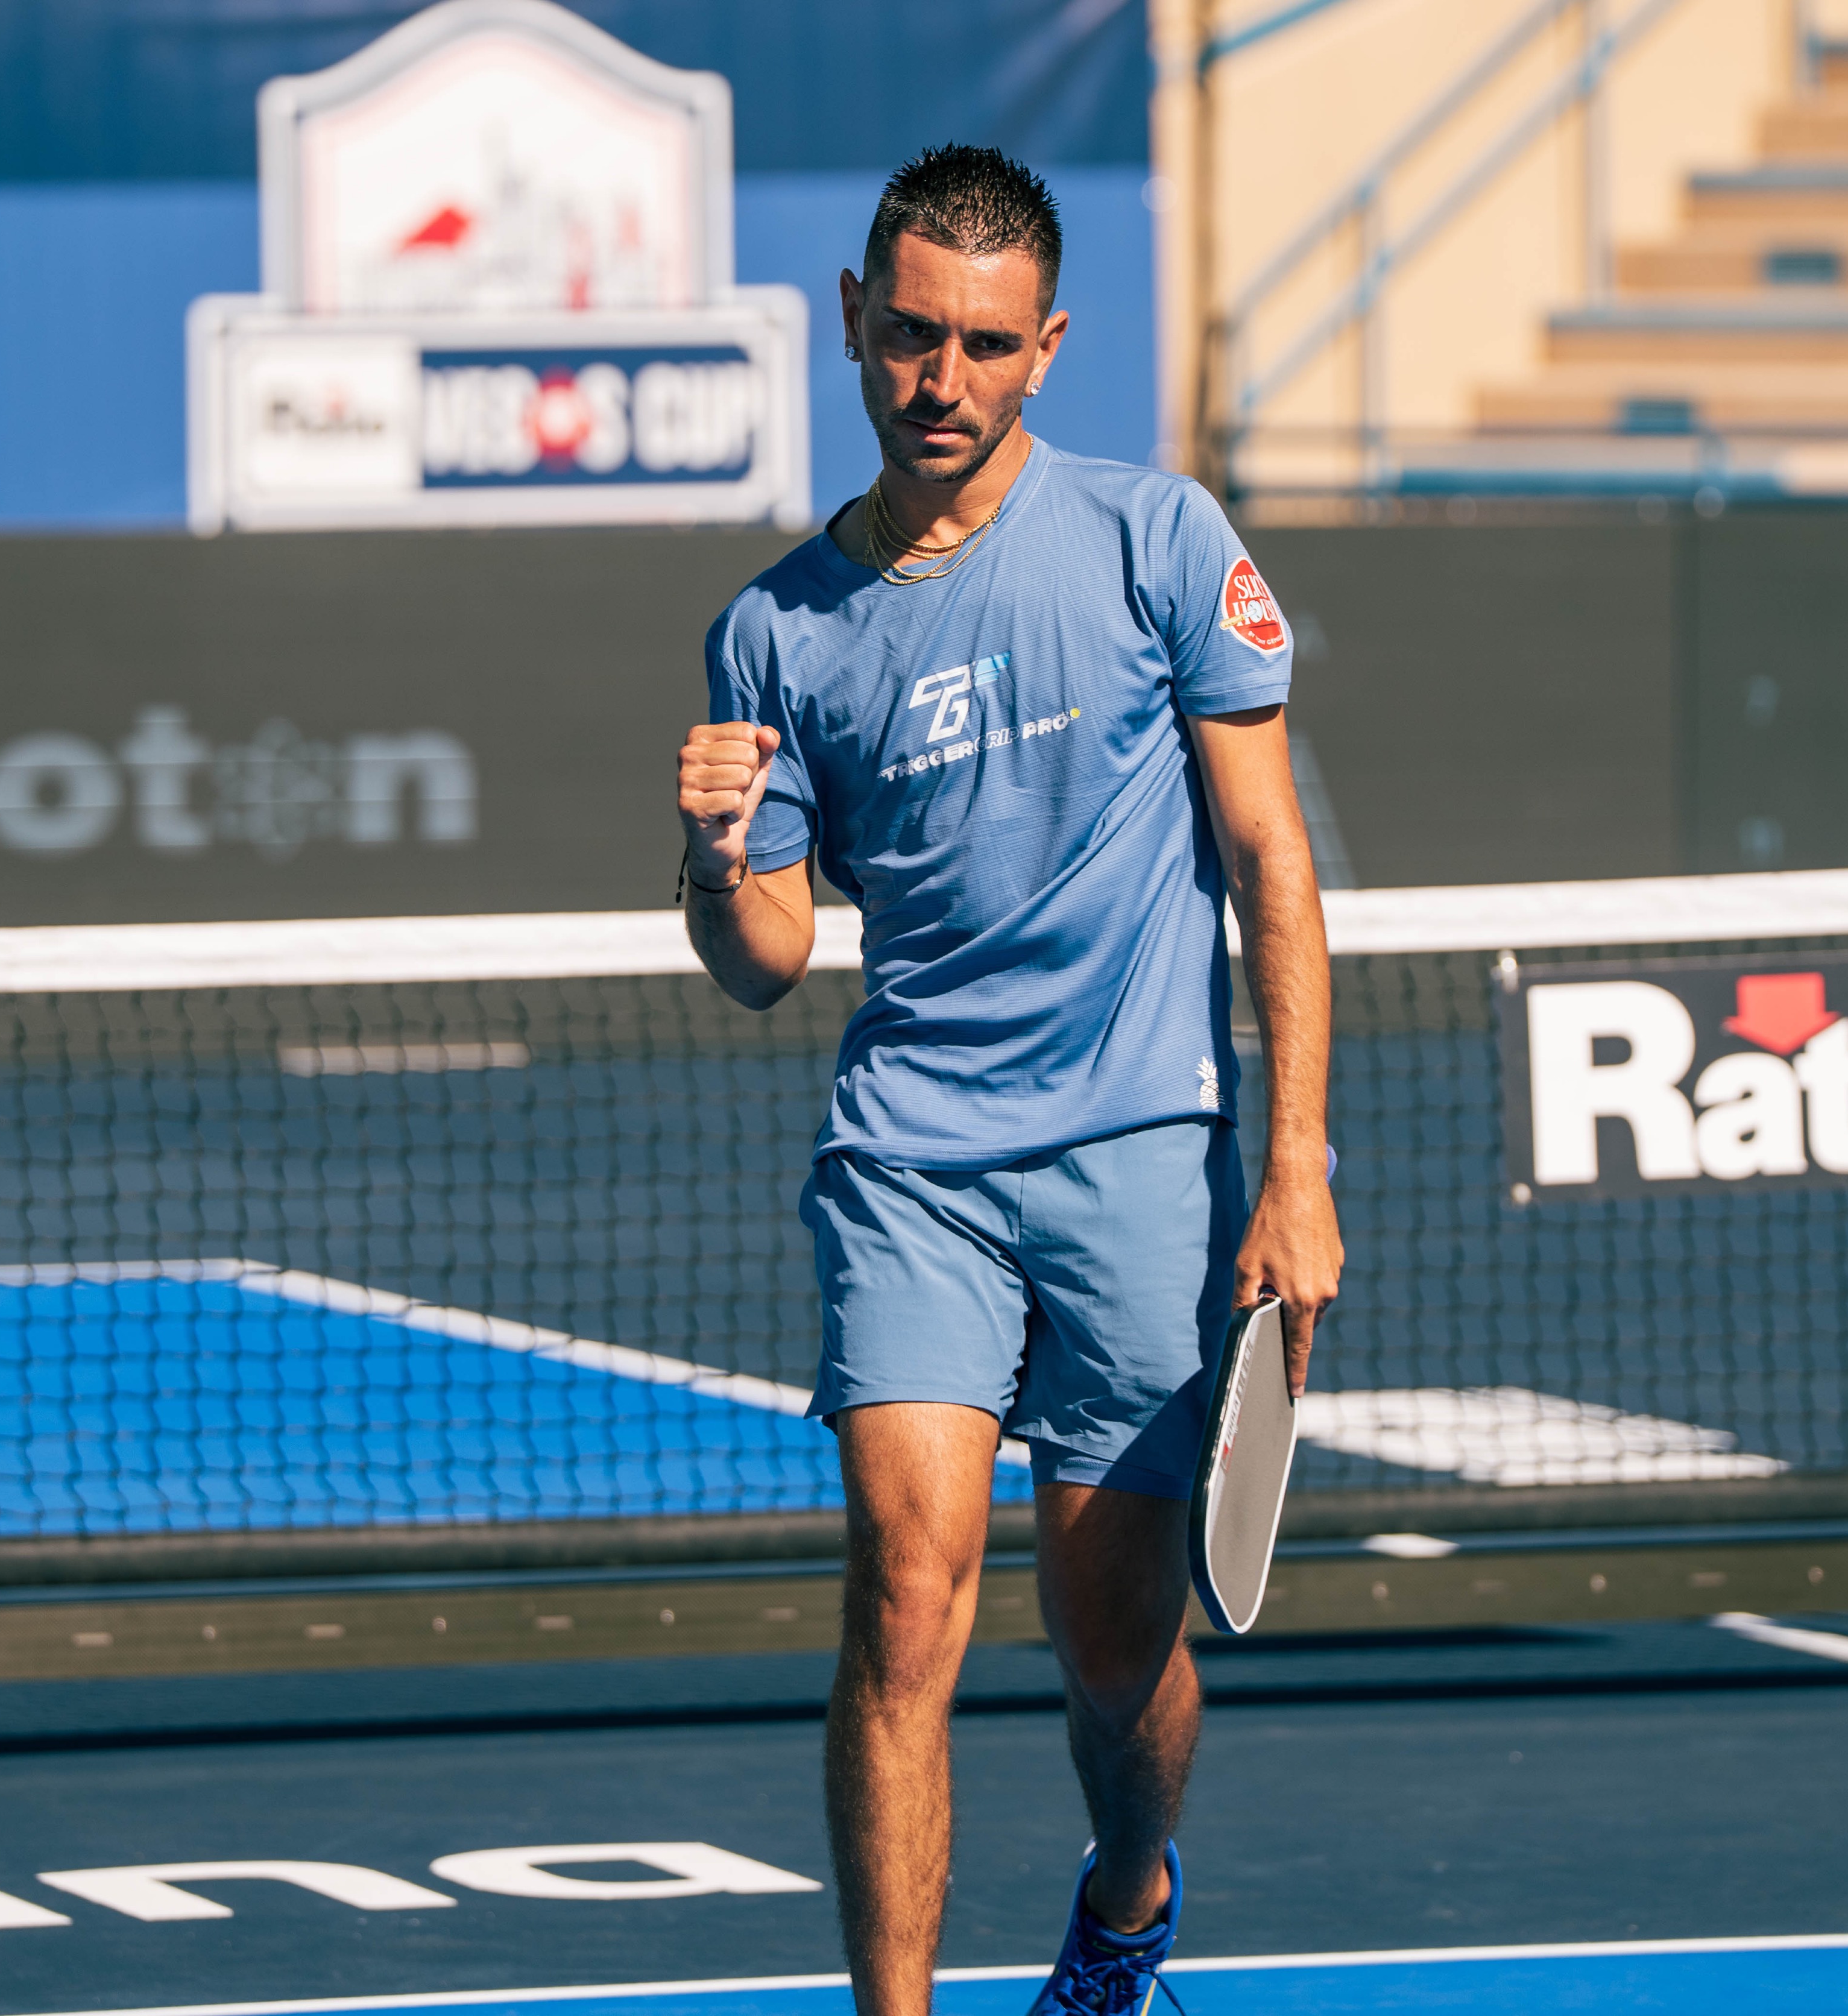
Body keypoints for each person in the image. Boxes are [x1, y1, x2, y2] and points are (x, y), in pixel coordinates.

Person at [671, 145, 1343, 2016]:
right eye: (908, 338)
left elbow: (1271, 862)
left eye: (981, 343)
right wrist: (718, 857)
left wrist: (1295, 1169)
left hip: (1143, 1151)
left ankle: (1126, 1902)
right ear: (854, 330)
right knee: (905, 1594)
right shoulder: (777, 628)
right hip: (913, 1167)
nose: (939, 380)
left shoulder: (1162, 540)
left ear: (1045, 347)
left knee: (1114, 1647)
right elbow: (769, 963)